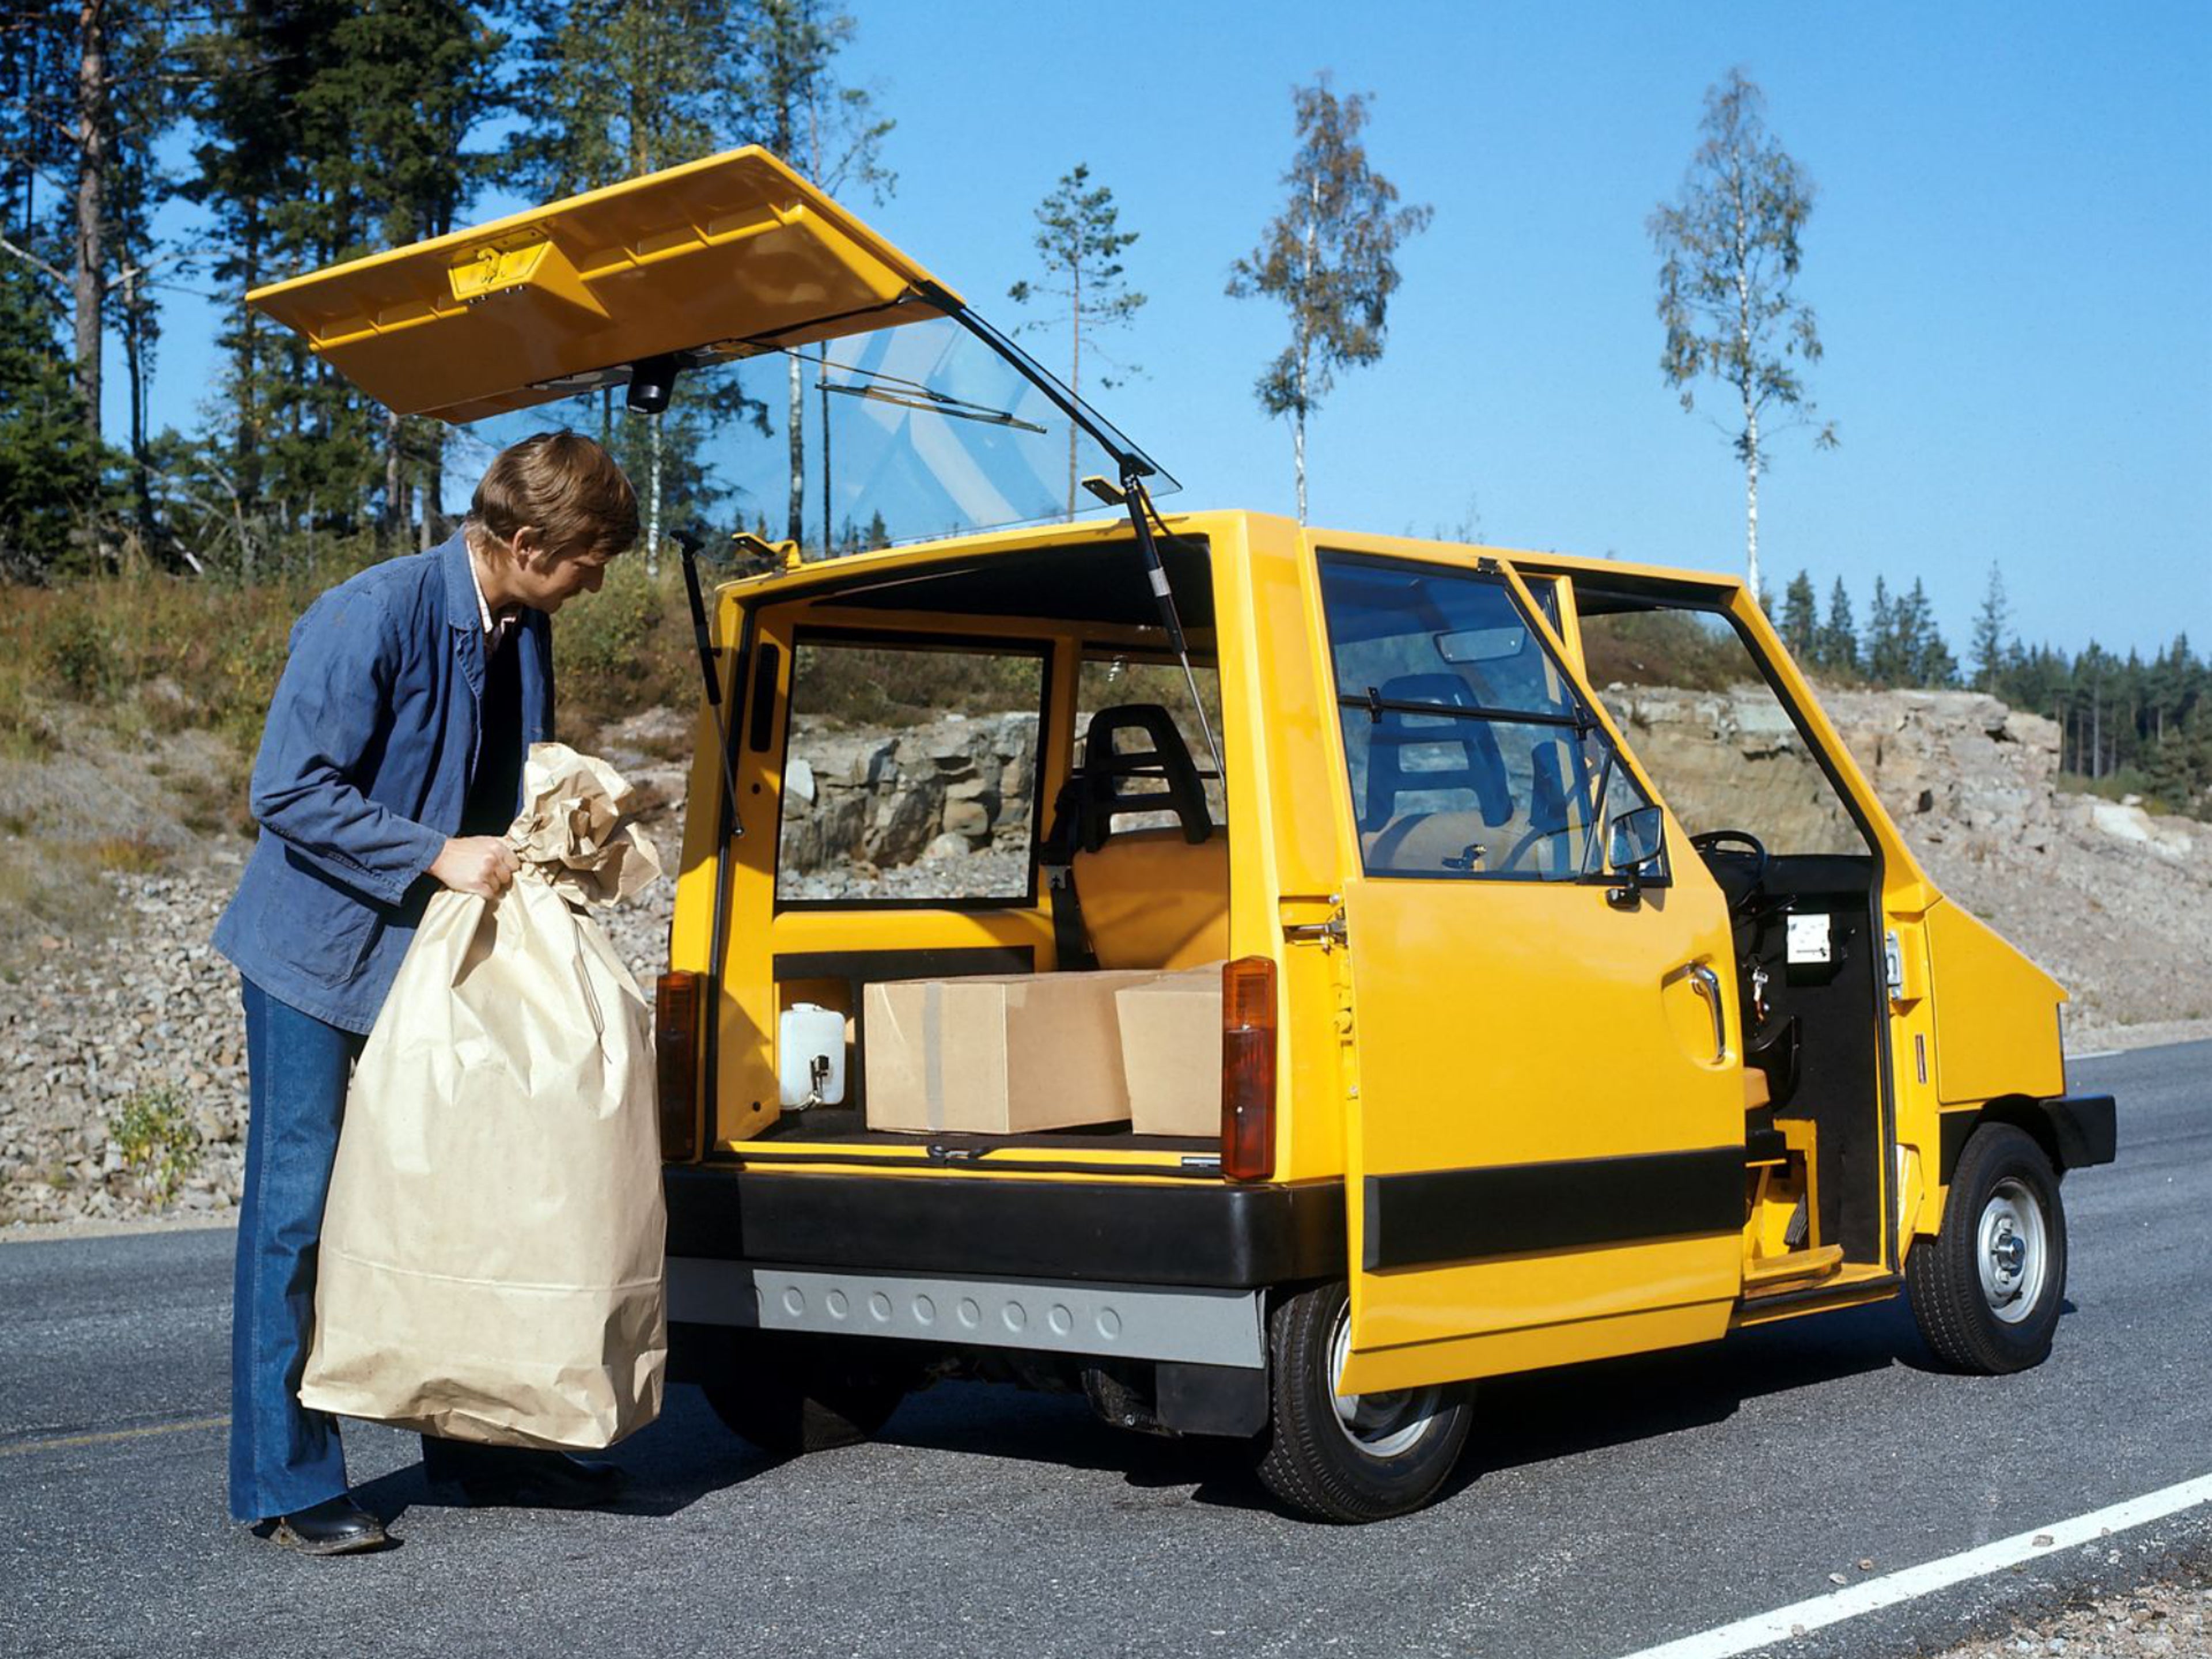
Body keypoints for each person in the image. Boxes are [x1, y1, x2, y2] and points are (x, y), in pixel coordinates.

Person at [213, 431, 639, 1554]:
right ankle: (287, 1480)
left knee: (470, 1204)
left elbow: (498, 782)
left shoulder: (525, 628)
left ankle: (485, 1453)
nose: (599, 578)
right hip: (316, 953)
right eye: (589, 556)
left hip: (443, 964)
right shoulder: (375, 611)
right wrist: (433, 853)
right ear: (527, 541)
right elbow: (285, 789)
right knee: (297, 1217)